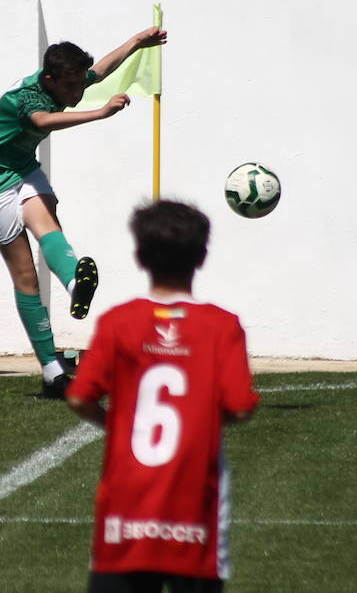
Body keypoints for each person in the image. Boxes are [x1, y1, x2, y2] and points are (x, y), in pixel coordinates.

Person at [67, 200, 259, 592]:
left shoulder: (118, 322)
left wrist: (116, 425)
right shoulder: (222, 326)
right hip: (194, 506)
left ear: (139, 256)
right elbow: (240, 407)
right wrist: (198, 419)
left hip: (126, 504)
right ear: (202, 256)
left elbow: (79, 397)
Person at [0, 26, 166, 397]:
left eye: (79, 85)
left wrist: (137, 42)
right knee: (25, 276)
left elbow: (101, 69)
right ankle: (52, 371)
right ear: (50, 79)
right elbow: (41, 121)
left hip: (21, 165)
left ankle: (76, 284)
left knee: (47, 221)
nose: (77, 92)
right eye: (71, 87)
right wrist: (99, 113)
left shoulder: (63, 82)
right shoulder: (29, 96)